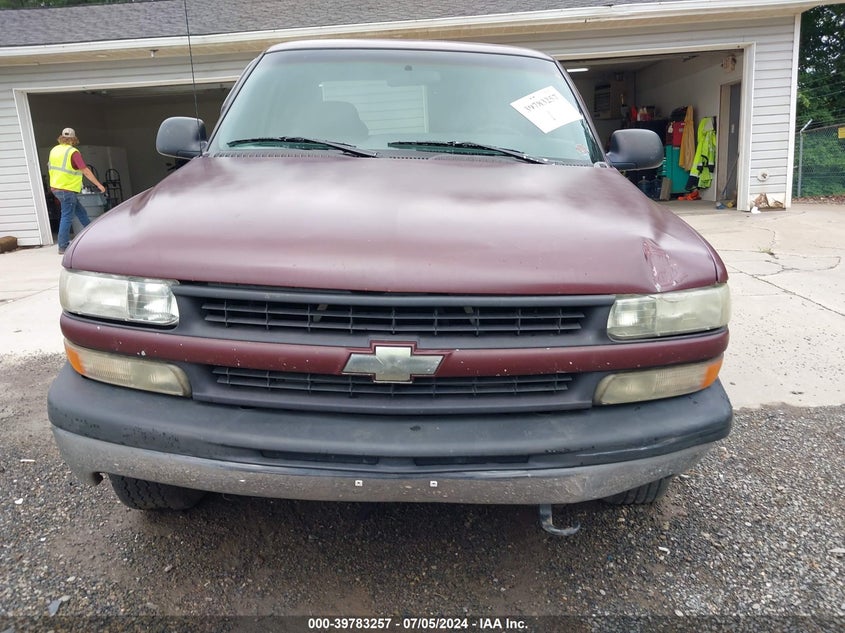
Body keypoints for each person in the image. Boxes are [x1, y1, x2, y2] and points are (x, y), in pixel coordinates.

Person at [48, 127, 106, 254]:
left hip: (56, 188)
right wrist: (99, 185)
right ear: (73, 139)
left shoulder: (54, 150)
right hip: (66, 189)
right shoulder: (72, 152)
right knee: (67, 216)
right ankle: (62, 246)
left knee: (81, 212)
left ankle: (93, 237)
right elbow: (85, 170)